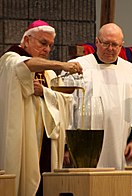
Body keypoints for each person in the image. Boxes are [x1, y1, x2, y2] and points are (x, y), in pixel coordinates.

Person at [0, 20, 82, 196]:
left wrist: (44, 92)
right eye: (43, 43)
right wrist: (62, 65)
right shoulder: (9, 60)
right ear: (27, 40)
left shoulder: (48, 74)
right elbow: (23, 66)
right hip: (23, 136)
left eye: (50, 45)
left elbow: (66, 102)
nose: (47, 49)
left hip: (46, 141)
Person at [65, 23, 132, 169]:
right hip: (83, 146)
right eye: (105, 43)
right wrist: (67, 146)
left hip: (121, 145)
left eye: (115, 45)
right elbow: (65, 108)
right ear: (97, 42)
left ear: (122, 45)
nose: (110, 49)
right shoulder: (76, 67)